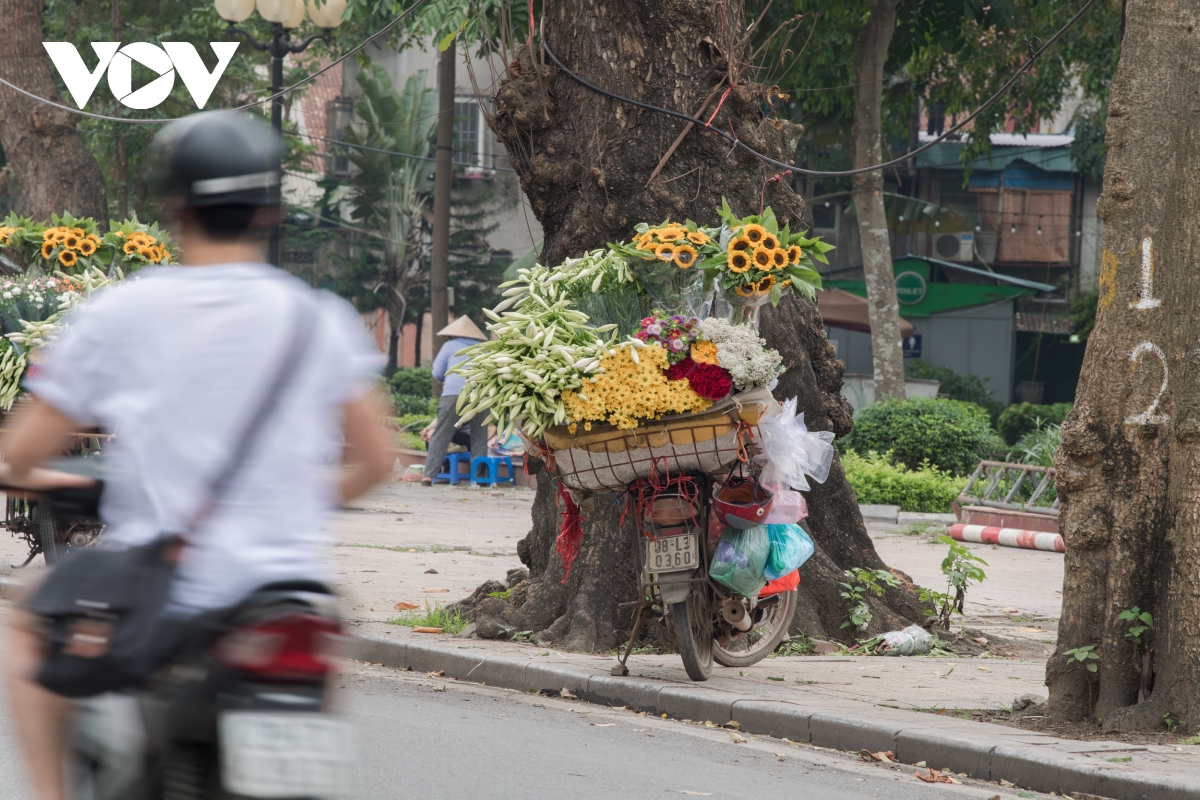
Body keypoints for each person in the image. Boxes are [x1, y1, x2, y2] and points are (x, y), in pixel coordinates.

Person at [1, 112, 395, 800]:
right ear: (270, 210)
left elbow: (19, 456)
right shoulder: (319, 318)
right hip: (290, 600)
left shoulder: (122, 313)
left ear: (174, 207)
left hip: (167, 594)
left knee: (27, 627)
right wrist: (292, 495)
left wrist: (57, 476)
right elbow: (376, 462)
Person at [421, 316, 488, 486]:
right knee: (479, 436)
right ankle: (480, 479)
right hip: (480, 395)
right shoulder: (484, 348)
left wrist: (447, 379)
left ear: (452, 334)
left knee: (441, 433)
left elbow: (437, 373)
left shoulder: (449, 345)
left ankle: (428, 476)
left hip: (453, 394)